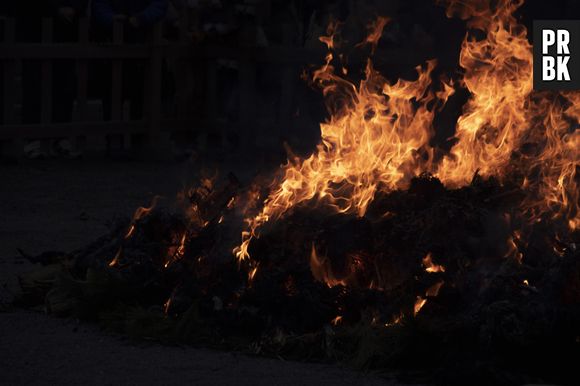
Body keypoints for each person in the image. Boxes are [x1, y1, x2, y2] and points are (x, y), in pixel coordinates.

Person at [91, 0, 169, 121]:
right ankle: (115, 136)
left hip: (144, 47)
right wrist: (112, 19)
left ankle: (137, 137)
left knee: (141, 100)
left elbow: (159, 5)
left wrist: (141, 18)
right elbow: (99, 7)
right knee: (112, 98)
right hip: (112, 46)